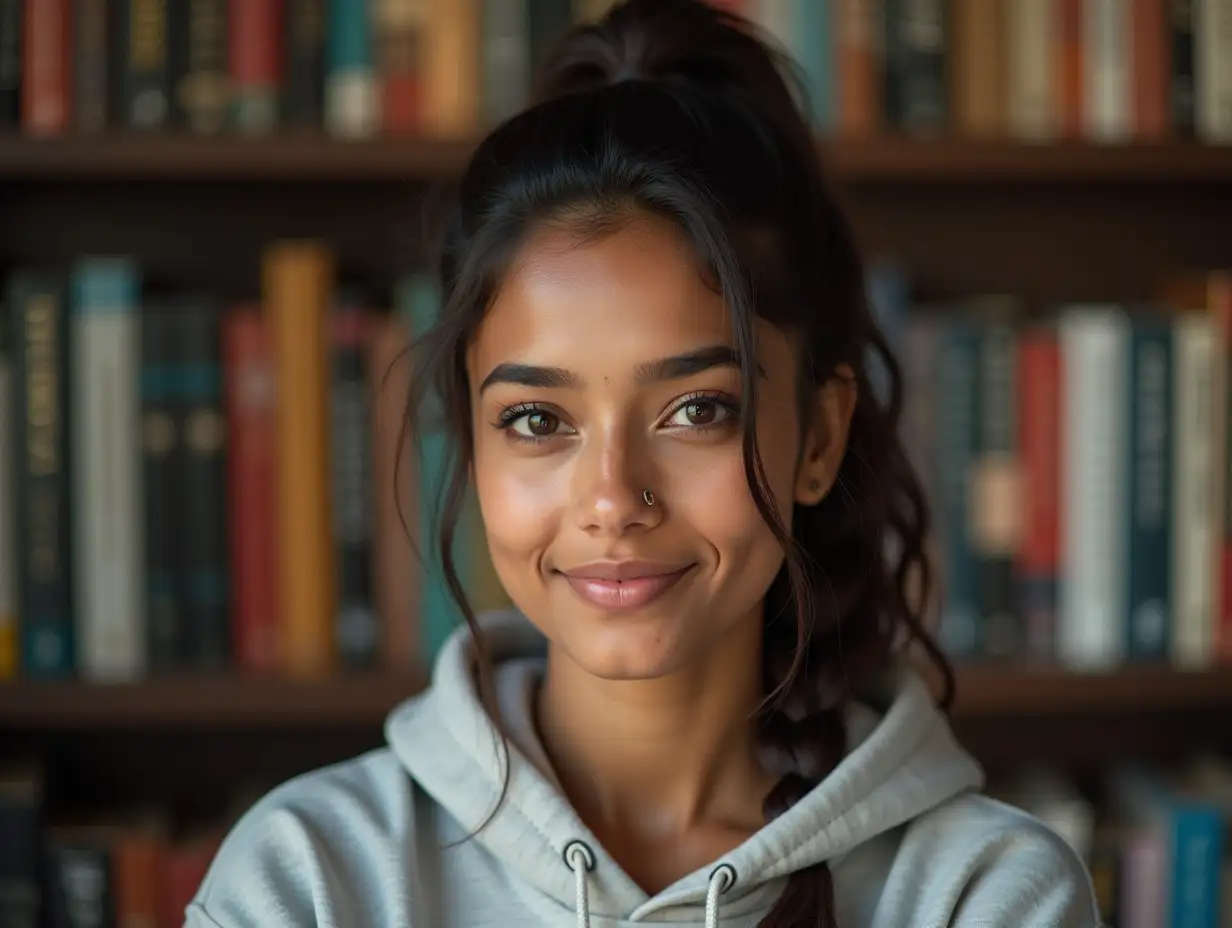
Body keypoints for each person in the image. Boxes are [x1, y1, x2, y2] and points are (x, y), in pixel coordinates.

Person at [186, 1, 1102, 926]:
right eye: (539, 418)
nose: (613, 499)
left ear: (819, 440)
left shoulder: (983, 892)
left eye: (697, 410)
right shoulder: (307, 876)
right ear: (470, 441)